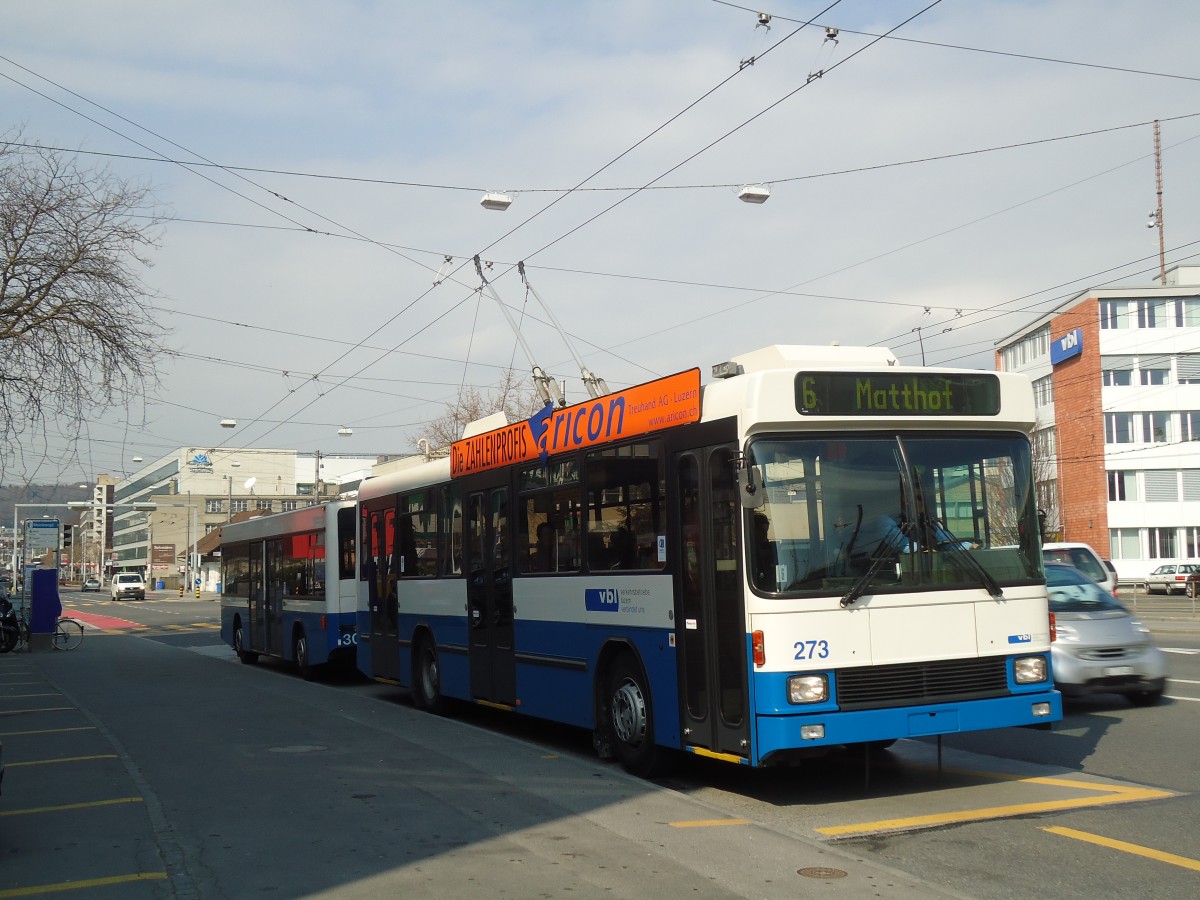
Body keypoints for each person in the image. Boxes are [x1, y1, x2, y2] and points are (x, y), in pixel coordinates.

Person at [752, 512, 778, 590]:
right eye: (762, 531)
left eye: (766, 532)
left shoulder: (767, 546)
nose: (765, 535)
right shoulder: (751, 549)